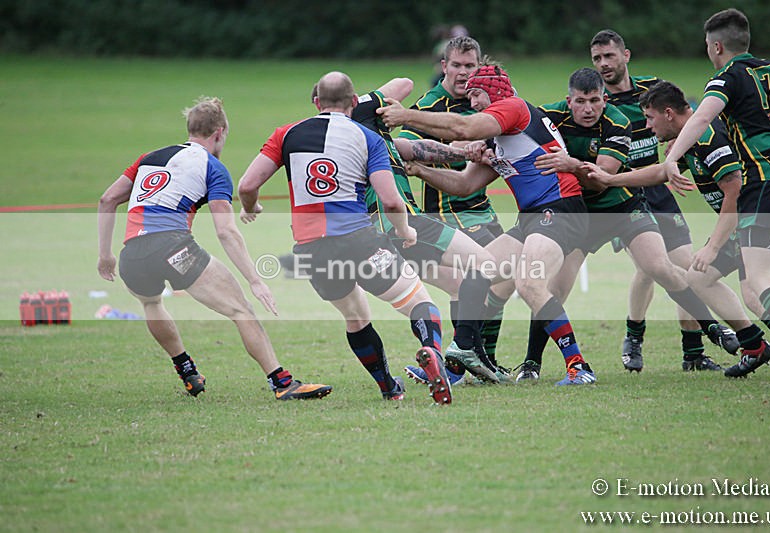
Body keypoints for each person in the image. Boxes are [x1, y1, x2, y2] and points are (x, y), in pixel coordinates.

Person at [238, 71, 453, 404]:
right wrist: (404, 231)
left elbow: (247, 186)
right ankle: (432, 351)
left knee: (355, 316)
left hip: (311, 251)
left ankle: (389, 388)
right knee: (419, 303)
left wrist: (251, 207)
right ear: (354, 102)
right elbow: (392, 200)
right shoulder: (368, 138)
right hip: (358, 241)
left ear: (315, 102)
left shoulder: (286, 134)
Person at [96, 97, 332, 400]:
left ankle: (187, 371)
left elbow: (107, 200)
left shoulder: (148, 157)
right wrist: (255, 280)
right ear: (219, 133)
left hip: (131, 256)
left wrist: (105, 255)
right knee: (241, 310)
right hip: (173, 249)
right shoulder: (212, 166)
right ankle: (282, 383)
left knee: (152, 304)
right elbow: (226, 231)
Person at [380, 64, 597, 386]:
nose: (474, 103)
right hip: (533, 218)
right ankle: (461, 357)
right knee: (476, 270)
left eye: (477, 95)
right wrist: (420, 170)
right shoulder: (499, 141)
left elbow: (462, 128)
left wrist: (407, 116)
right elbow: (465, 184)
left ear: (494, 91)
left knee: (529, 284)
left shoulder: (514, 108)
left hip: (561, 209)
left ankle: (579, 367)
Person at [516, 69, 736, 379]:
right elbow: (514, 128)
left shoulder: (617, 121)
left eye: (595, 101)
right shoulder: (549, 116)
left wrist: (571, 164)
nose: (589, 109)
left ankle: (712, 327)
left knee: (659, 266)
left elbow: (601, 180)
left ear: (604, 99)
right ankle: (531, 363)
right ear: (569, 101)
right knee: (555, 288)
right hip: (579, 215)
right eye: (581, 101)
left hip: (623, 206)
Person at [584, 80, 770, 372]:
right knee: (704, 279)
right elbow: (661, 172)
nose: (647, 127)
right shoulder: (688, 140)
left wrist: (712, 246)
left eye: (649, 118)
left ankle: (763, 348)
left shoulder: (709, 137)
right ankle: (753, 346)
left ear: (668, 113)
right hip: (754, 217)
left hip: (760, 217)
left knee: (749, 287)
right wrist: (610, 179)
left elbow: (734, 191)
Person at [662, 8, 770, 387]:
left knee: (759, 277)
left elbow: (702, 118)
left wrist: (672, 158)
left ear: (716, 46)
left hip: (766, 182)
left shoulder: (727, 77)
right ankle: (766, 348)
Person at [348, 77, 503, 384]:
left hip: (376, 237)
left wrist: (467, 152)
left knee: (454, 287)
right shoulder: (360, 124)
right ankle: (463, 350)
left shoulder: (376, 142)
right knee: (486, 264)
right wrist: (372, 104)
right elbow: (403, 84)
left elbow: (419, 149)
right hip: (407, 225)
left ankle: (450, 363)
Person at [590, 29, 715, 372]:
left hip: (658, 191)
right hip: (624, 196)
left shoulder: (653, 89)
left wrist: (677, 157)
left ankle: (693, 353)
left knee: (683, 264)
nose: (603, 64)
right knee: (650, 266)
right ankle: (634, 335)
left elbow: (682, 124)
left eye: (609, 56)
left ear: (625, 55)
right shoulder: (596, 103)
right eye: (597, 59)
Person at [399, 36, 508, 374]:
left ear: (480, 67)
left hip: (482, 207)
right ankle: (460, 364)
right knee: (476, 281)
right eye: (457, 66)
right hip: (446, 213)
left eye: (470, 66)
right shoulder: (428, 106)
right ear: (444, 66)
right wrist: (453, 153)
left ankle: (481, 359)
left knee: (501, 281)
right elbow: (406, 148)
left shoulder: (486, 102)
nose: (463, 73)